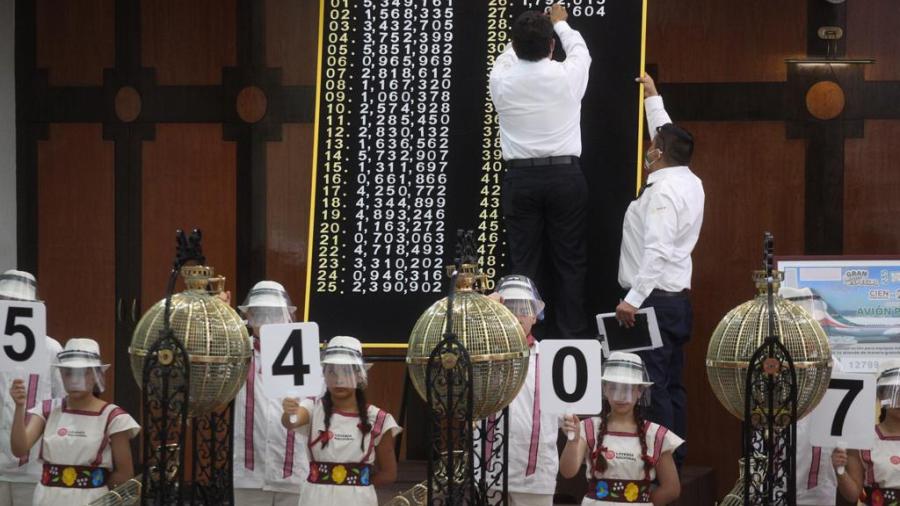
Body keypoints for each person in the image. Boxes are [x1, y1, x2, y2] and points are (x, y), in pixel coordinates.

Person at [615, 72, 704, 468]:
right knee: (671, 383)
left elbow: (656, 252)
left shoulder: (664, 193)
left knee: (654, 387)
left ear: (657, 153)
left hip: (652, 300)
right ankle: (676, 456)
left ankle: (659, 464)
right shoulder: (687, 179)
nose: (648, 149)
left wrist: (632, 300)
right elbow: (664, 136)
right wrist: (653, 98)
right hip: (674, 302)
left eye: (652, 146)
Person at [489, 3, 592, 340]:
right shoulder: (566, 74)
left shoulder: (501, 78)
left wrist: (529, 33)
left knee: (524, 266)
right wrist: (559, 23)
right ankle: (571, 340)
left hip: (521, 179)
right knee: (570, 263)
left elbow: (507, 57)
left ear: (515, 47)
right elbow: (580, 52)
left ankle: (525, 340)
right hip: (565, 177)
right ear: (551, 47)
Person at [8, 338, 139, 505]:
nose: (75, 379)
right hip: (47, 498)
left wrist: (97, 491)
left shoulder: (113, 416)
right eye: (68, 372)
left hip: (92, 499)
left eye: (84, 372)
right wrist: (20, 407)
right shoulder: (47, 409)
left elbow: (125, 474)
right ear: (61, 374)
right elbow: (19, 449)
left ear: (97, 374)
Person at [281, 336, 400, 505]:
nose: (339, 380)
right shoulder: (313, 408)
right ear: (324, 375)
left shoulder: (379, 419)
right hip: (315, 499)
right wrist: (289, 411)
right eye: (332, 372)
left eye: (347, 372)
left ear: (360, 376)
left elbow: (389, 474)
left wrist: (356, 485)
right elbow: (290, 422)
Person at [559, 352, 682, 505]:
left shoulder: (655, 434)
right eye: (614, 388)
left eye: (628, 389)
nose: (621, 396)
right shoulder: (588, 427)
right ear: (604, 389)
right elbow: (567, 471)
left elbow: (672, 489)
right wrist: (573, 441)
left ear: (640, 391)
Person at [233, 281, 309, 506]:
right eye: (260, 313)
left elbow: (314, 410)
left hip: (293, 471)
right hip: (247, 474)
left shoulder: (304, 353)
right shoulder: (236, 352)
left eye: (273, 313)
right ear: (249, 315)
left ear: (286, 315)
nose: (267, 319)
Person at [485, 275, 559, 506]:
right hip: (487, 471)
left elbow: (568, 414)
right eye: (509, 308)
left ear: (535, 316)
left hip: (535, 476)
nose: (516, 316)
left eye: (523, 309)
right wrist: (484, 309)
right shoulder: (480, 352)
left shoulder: (554, 358)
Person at [0, 269, 65, 506]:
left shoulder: (51, 349)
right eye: (5, 302)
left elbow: (62, 403)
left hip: (34, 467)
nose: (11, 307)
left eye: (18, 303)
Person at [833, 360, 900, 505]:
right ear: (882, 396)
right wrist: (839, 469)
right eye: (895, 391)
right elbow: (853, 495)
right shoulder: (863, 438)